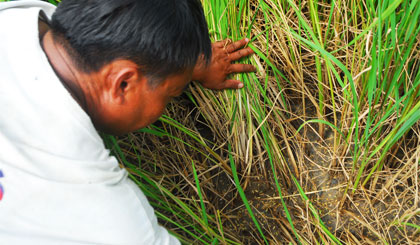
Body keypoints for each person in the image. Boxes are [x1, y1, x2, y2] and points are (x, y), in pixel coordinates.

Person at [0, 0, 255, 244]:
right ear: (122, 83)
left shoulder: (17, 16)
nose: (170, 100)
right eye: (172, 94)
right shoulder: (105, 211)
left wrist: (182, 66)